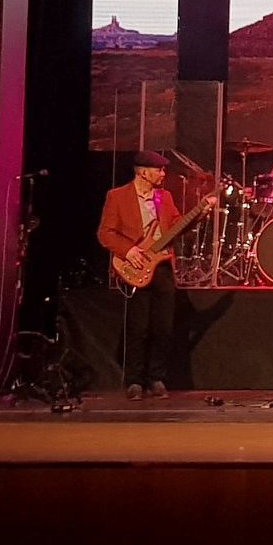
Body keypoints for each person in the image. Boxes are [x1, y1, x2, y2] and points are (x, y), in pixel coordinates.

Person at [97, 150, 181, 400]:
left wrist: (201, 213)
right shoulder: (117, 196)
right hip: (136, 266)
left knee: (163, 327)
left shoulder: (164, 197)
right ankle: (134, 380)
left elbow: (178, 226)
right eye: (159, 170)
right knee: (138, 327)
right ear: (143, 172)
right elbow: (105, 233)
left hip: (162, 266)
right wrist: (128, 250)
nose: (163, 174)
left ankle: (156, 378)